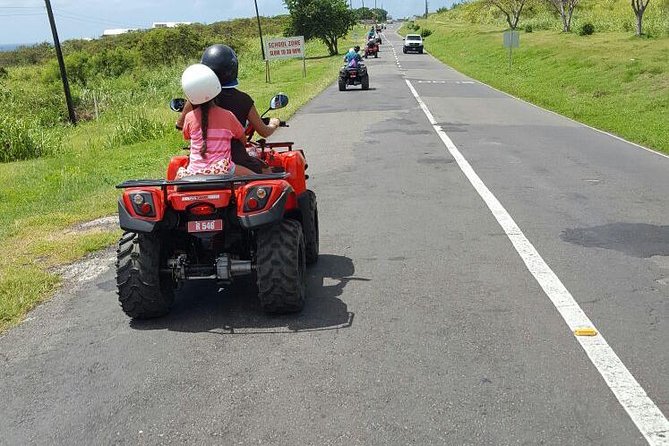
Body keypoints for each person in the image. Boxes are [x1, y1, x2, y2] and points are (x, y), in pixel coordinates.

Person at [176, 44, 281, 173]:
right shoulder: (242, 100)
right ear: (233, 68)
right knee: (268, 174)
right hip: (235, 162)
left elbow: (181, 126)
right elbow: (263, 132)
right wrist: (274, 123)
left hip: (198, 167)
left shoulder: (196, 99)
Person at [176, 63, 254, 179]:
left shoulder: (189, 117)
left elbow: (187, 136)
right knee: (257, 178)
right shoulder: (228, 116)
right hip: (221, 170)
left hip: (193, 173)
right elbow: (242, 139)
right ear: (215, 86)